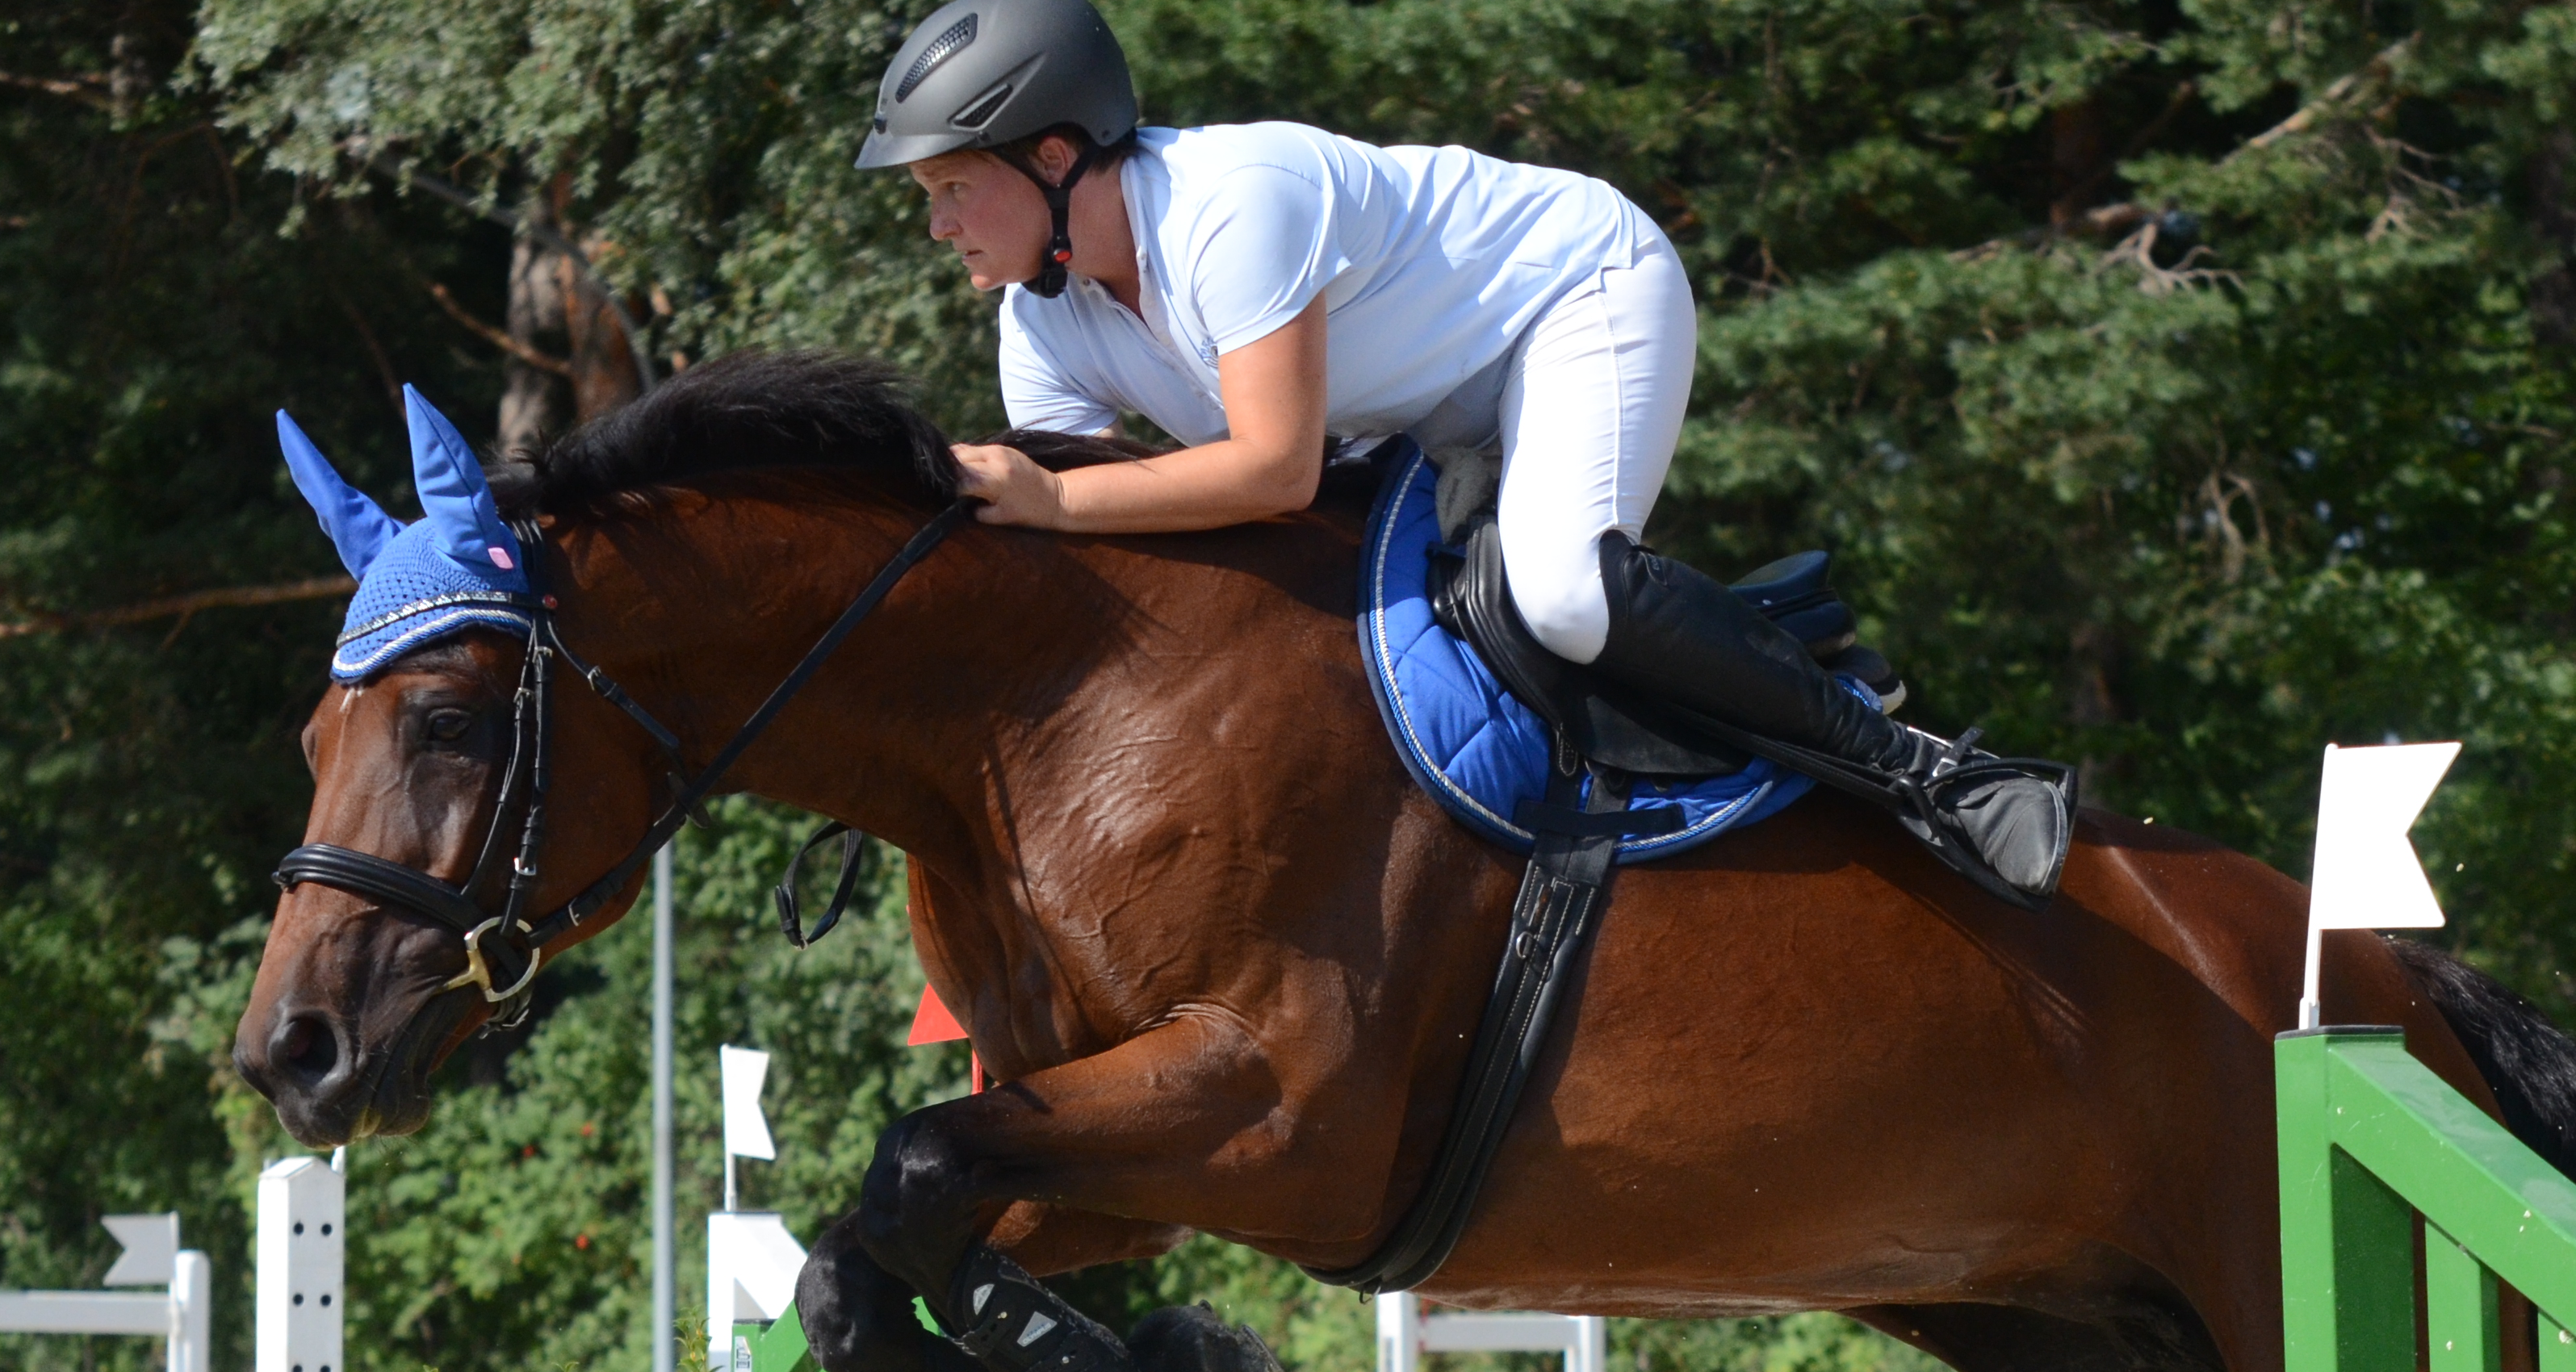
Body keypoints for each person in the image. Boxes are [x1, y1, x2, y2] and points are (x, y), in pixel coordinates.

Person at [857, 0, 2077, 903]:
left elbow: (1272, 471)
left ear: (1055, 156)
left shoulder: (1232, 201)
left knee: (1559, 589)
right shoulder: (1044, 321)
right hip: (1408, 414)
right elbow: (1113, 547)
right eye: (930, 199)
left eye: (955, 188)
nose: (939, 226)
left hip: (1571, 298)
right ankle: (1760, 653)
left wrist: (1056, 508)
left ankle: (1931, 773)